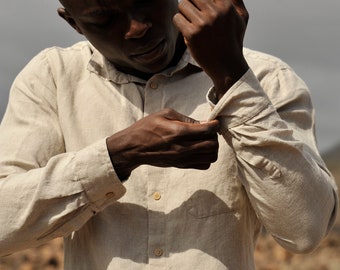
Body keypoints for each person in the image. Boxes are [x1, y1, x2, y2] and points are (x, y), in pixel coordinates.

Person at [0, 0, 338, 269]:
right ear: (73, 23)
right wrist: (117, 155)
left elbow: (305, 230)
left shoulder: (265, 78)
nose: (136, 28)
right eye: (103, 19)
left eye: (146, 1)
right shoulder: (52, 79)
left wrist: (232, 78)